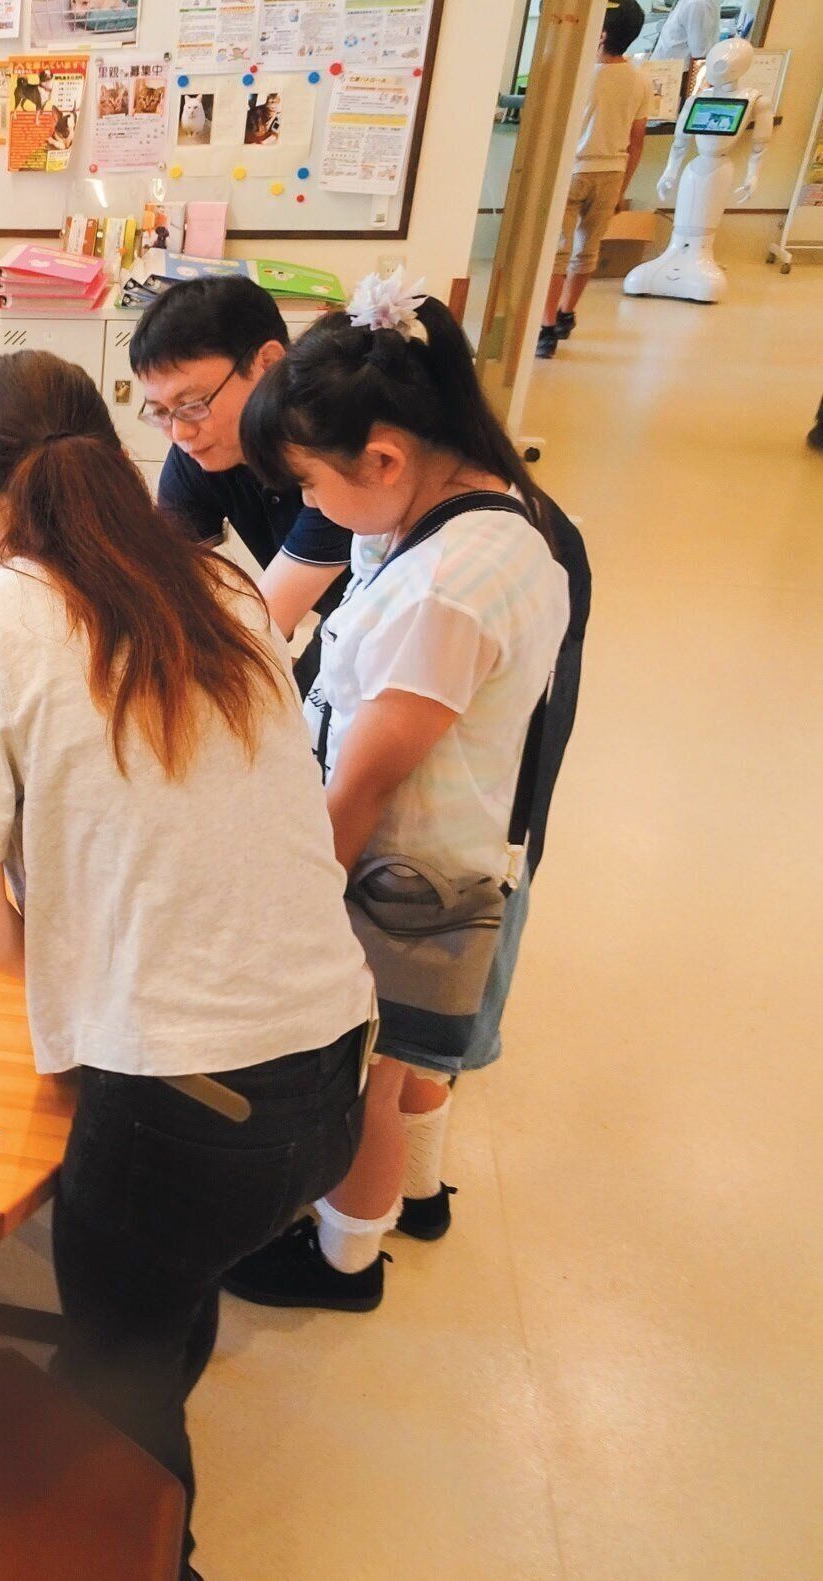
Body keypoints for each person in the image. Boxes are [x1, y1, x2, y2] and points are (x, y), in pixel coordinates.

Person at [0, 349, 377, 1568]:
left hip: (189, 1113)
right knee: (155, 1311)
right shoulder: (220, 582)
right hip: (335, 1071)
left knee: (112, 1389)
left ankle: (152, 1556)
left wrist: (86, 970)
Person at [224, 276, 583, 1310]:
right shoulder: (493, 513)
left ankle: (343, 1262)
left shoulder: (442, 591)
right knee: (406, 1063)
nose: (307, 507)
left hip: (402, 878)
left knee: (364, 1084)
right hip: (457, 854)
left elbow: (368, 782)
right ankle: (415, 1197)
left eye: (308, 484)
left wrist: (294, 908)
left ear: (381, 459)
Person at [130, 275, 354, 644]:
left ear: (268, 362)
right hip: (343, 623)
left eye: (193, 404)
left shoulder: (334, 449)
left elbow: (264, 630)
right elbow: (168, 585)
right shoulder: (197, 454)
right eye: (160, 412)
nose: (179, 433)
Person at [540, 2, 652, 359]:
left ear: (600, 35)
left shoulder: (580, 76)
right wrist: (622, 188)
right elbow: (637, 140)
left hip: (573, 171)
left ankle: (545, 328)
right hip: (613, 172)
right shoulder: (641, 79)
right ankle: (566, 314)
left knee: (557, 251)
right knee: (588, 248)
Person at [650, 0, 716, 61]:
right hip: (663, 66)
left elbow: (700, 56)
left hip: (676, 68)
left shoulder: (696, 4)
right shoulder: (687, 3)